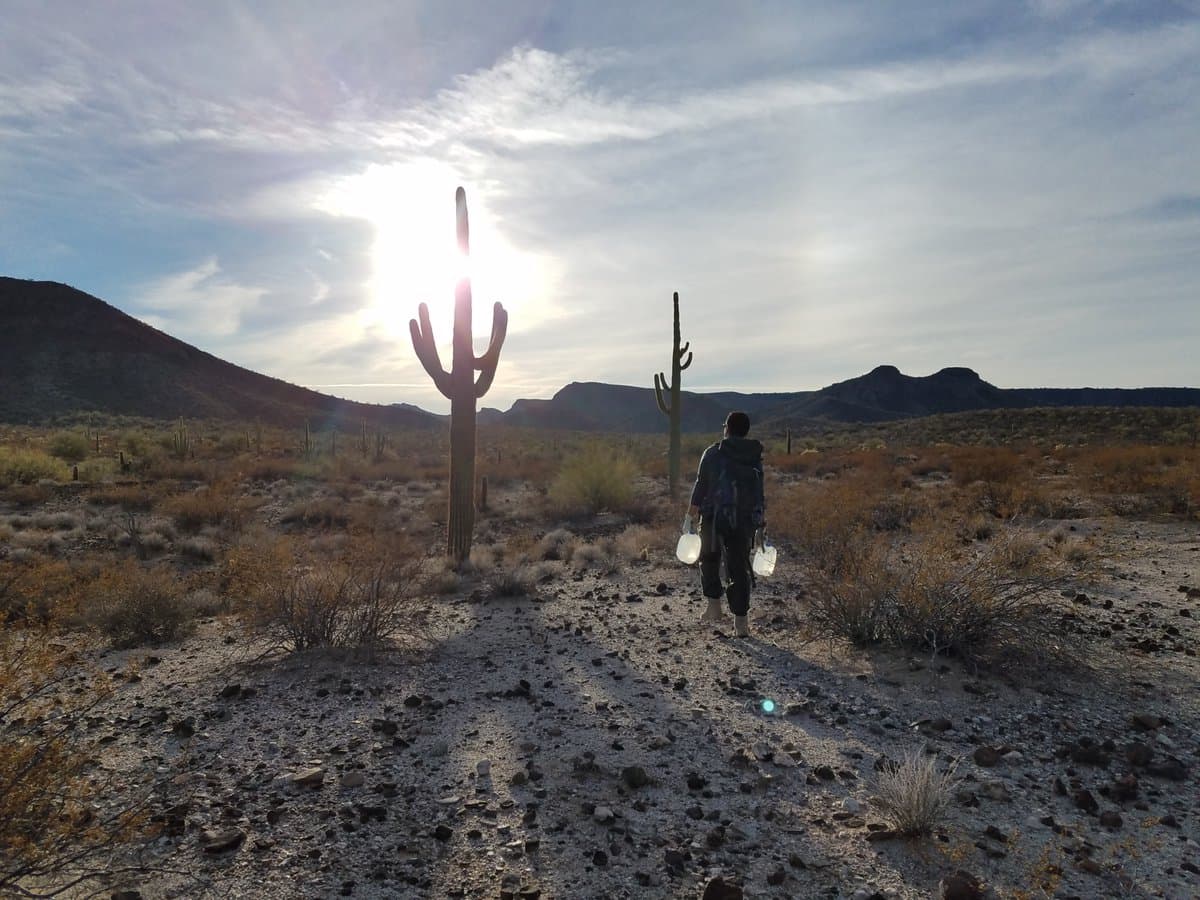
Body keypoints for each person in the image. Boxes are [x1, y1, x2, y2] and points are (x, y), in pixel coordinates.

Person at [686, 411, 765, 637]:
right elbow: (759, 492)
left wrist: (690, 515)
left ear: (727, 428)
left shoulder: (712, 453)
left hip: (713, 517)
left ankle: (714, 608)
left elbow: (700, 486)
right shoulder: (754, 455)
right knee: (739, 566)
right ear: (746, 430)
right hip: (744, 519)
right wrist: (760, 524)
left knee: (709, 559)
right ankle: (741, 622)